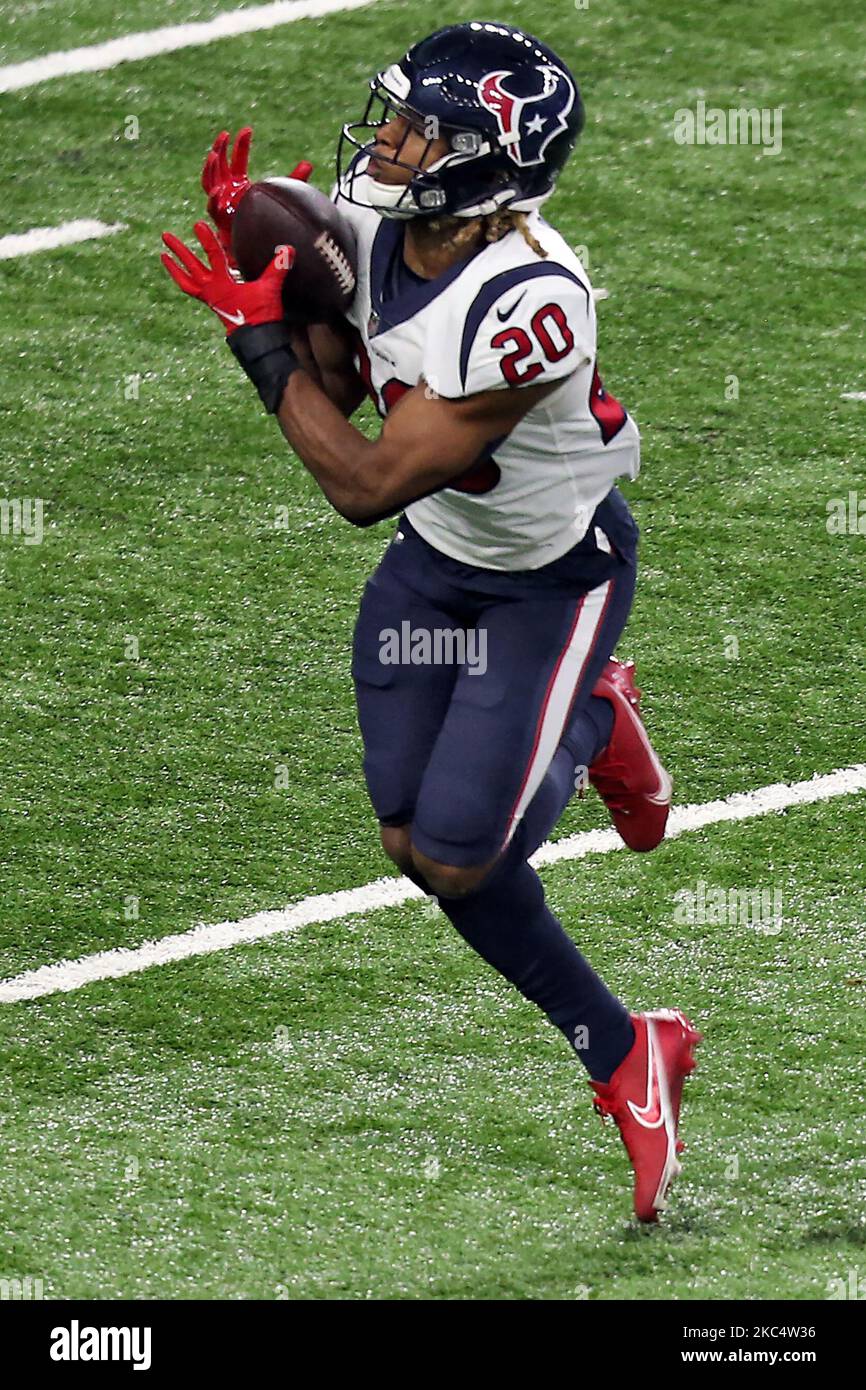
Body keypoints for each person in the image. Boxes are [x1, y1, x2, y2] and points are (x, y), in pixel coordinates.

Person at [161, 20, 700, 1224]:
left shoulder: (532, 298)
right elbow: (346, 378)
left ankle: (590, 733)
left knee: (465, 854)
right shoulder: (372, 224)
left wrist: (250, 339)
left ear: (491, 163)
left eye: (423, 130)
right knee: (411, 846)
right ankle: (636, 1046)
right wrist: (283, 276)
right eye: (395, 114)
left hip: (547, 580)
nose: (390, 141)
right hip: (433, 568)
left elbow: (361, 481)